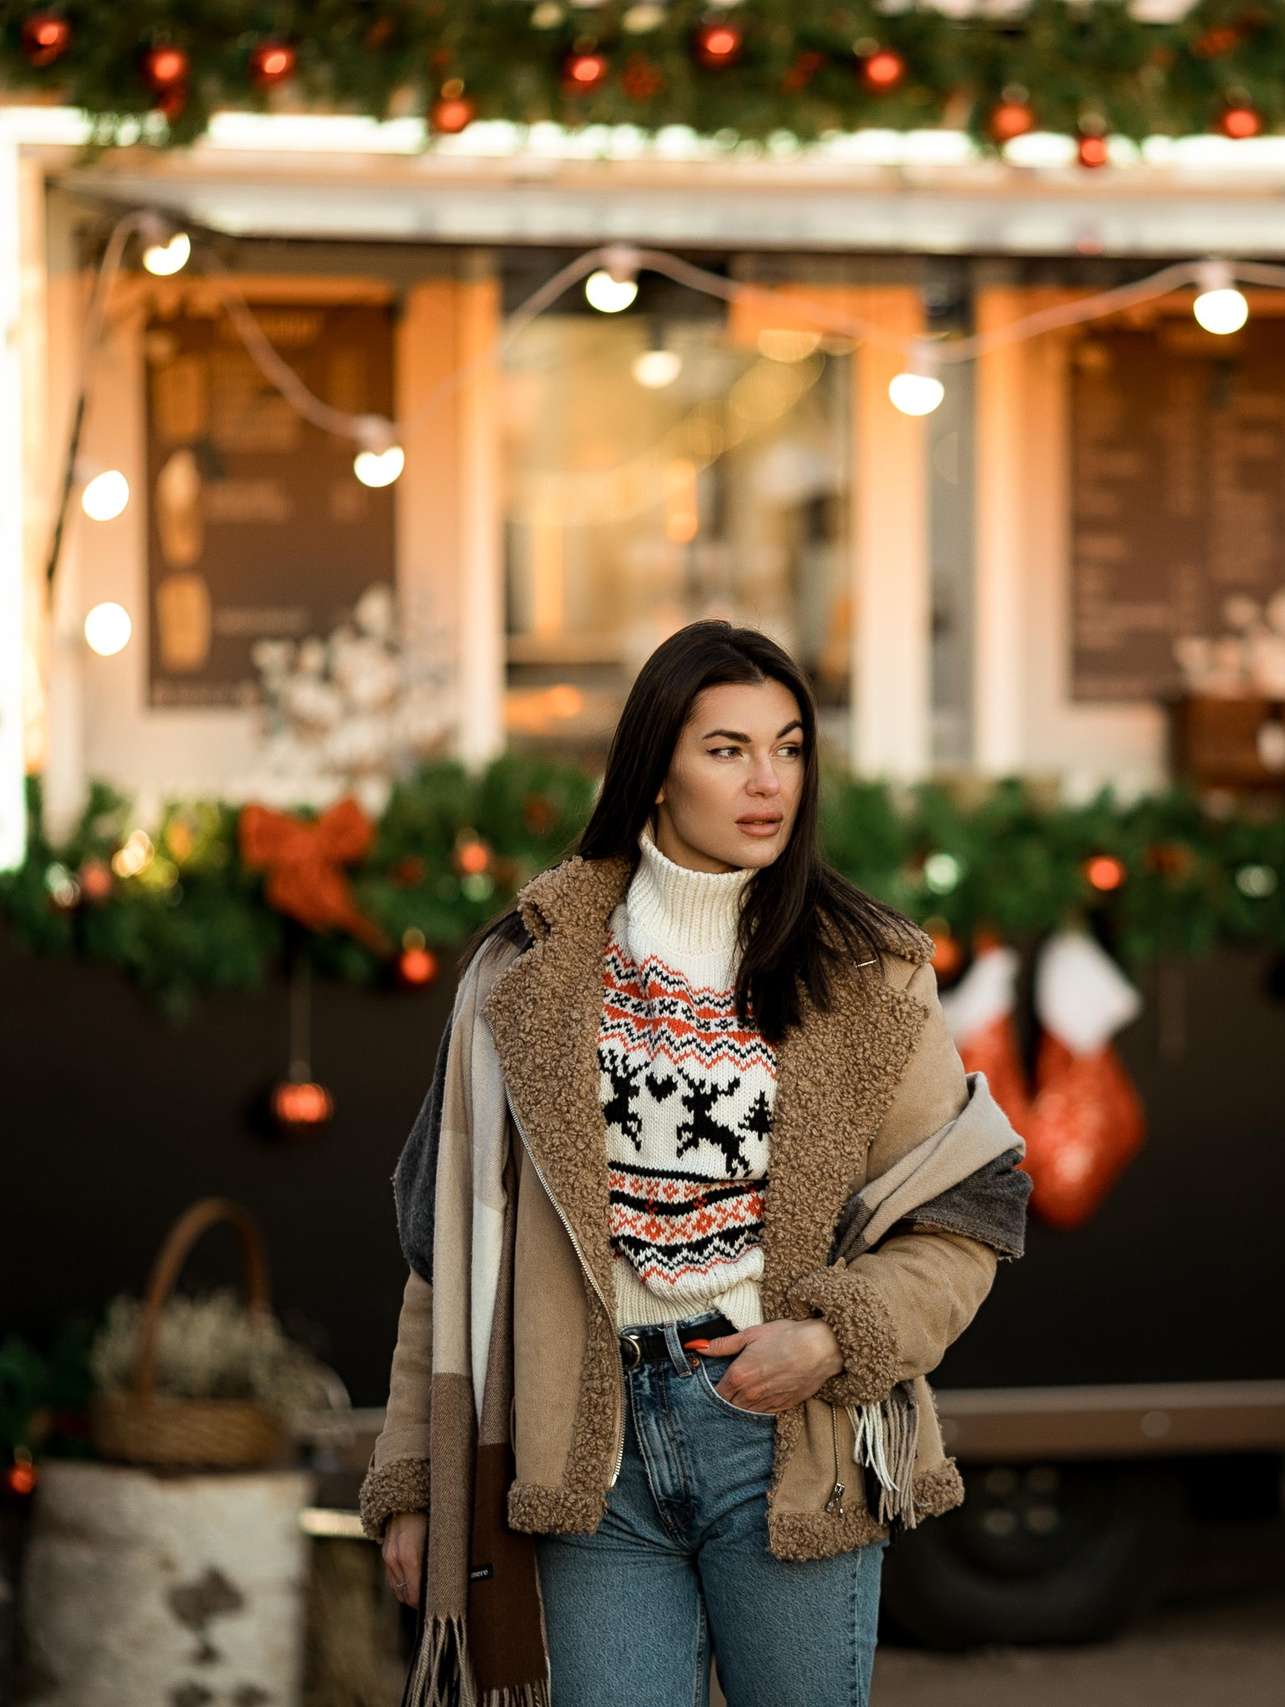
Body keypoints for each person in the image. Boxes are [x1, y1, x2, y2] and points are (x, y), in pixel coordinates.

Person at [361, 621, 1029, 1707]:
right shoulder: (525, 973)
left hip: (782, 1434)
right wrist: (412, 1477)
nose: (767, 782)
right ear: (655, 772)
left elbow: (966, 1217)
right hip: (583, 1451)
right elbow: (447, 1247)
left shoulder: (869, 973)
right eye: (726, 750)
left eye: (790, 746)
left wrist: (828, 1340)